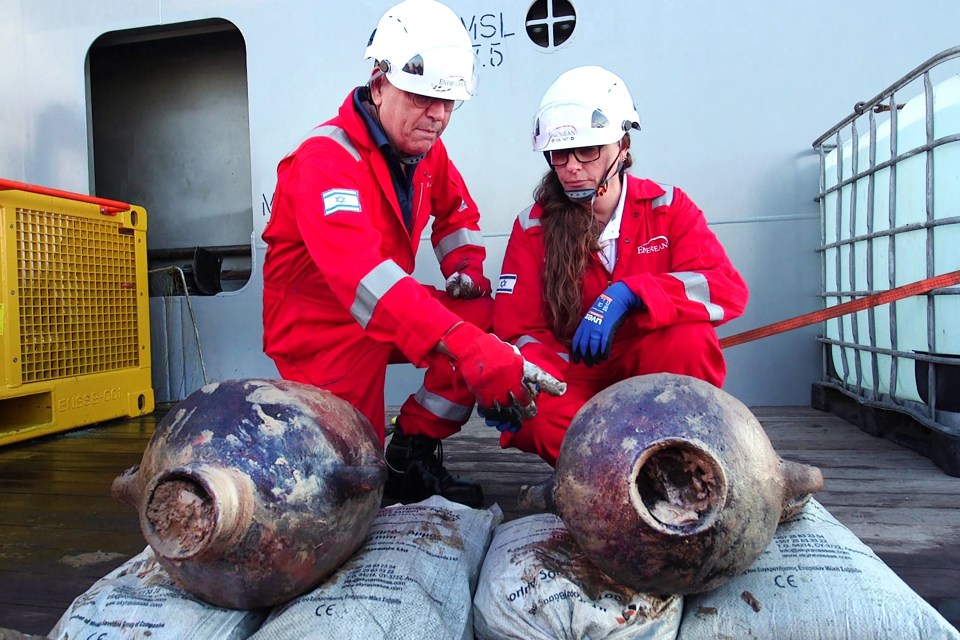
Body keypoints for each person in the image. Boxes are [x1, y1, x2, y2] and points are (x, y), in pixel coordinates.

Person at [261, 0, 548, 508]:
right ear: (379, 84)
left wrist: (465, 270)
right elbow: (362, 278)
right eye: (420, 97)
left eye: (448, 102)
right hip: (322, 330)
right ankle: (376, 466)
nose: (436, 115)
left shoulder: (423, 148)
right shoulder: (324, 161)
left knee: (486, 315)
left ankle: (412, 450)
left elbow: (457, 211)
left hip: (389, 308)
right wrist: (462, 344)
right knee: (351, 480)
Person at [487, 66, 749, 466]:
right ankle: (632, 475)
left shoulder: (668, 207)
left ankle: (671, 456)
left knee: (690, 340)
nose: (572, 166)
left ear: (622, 147)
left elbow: (725, 289)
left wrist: (632, 294)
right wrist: (533, 377)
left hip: (650, 365)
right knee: (535, 417)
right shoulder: (532, 226)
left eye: (588, 150)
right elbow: (518, 329)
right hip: (574, 373)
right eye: (560, 154)